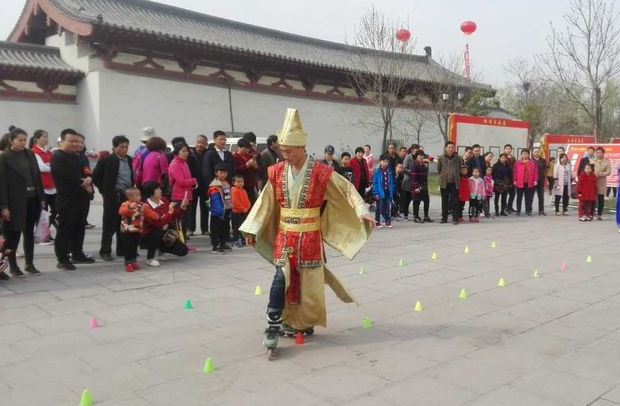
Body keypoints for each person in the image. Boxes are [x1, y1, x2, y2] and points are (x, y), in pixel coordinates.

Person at [239, 108, 374, 358]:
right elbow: (265, 201)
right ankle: (273, 324)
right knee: (281, 278)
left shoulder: (322, 173)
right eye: (282, 151)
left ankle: (300, 322)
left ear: (302, 147)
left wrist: (361, 209)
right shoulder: (276, 172)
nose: (285, 155)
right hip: (286, 236)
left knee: (308, 284)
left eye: (289, 151)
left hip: (310, 235)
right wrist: (252, 226)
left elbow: (345, 189)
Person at [0, 128, 45, 277]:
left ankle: (29, 264)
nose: (23, 143)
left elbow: (37, 177)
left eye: (25, 140)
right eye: (20, 140)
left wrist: (42, 198)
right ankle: (12, 266)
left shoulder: (29, 154)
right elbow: (2, 184)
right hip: (15, 201)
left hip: (32, 199)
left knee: (29, 233)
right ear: (11, 140)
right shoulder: (4, 157)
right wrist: (4, 206)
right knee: (13, 235)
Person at [51, 129, 94, 270]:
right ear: (62, 141)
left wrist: (87, 180)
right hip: (67, 199)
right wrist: (83, 182)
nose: (75, 144)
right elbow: (68, 177)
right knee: (65, 229)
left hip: (80, 198)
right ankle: (62, 259)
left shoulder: (76, 156)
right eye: (71, 141)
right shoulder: (58, 157)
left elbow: (84, 173)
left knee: (79, 227)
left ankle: (77, 253)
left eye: (77, 141)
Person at [92, 135, 133, 261]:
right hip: (113, 196)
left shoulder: (129, 160)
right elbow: (96, 177)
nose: (124, 149)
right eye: (121, 147)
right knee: (110, 224)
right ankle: (105, 250)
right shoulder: (107, 160)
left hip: (127, 196)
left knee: (125, 223)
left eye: (126, 147)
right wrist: (104, 190)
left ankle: (122, 249)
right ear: (114, 148)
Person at [141, 181, 189, 266]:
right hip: (149, 235)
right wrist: (170, 212)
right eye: (157, 189)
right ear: (151, 192)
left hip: (165, 233)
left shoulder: (163, 200)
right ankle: (150, 258)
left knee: (183, 251)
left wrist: (182, 207)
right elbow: (158, 224)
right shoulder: (146, 206)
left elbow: (174, 215)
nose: (160, 190)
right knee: (156, 231)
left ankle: (162, 248)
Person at [118, 187, 159, 272]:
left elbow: (149, 212)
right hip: (127, 230)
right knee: (128, 247)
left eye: (139, 195)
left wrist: (156, 216)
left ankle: (133, 261)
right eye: (137, 195)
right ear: (129, 197)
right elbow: (121, 212)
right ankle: (128, 263)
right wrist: (130, 208)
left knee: (134, 247)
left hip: (137, 230)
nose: (139, 197)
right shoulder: (125, 204)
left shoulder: (142, 205)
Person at [168, 142, 198, 239]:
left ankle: (183, 242)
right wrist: (194, 180)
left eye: (187, 151)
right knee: (179, 222)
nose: (186, 153)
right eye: (183, 151)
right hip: (178, 196)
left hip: (187, 195)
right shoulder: (175, 164)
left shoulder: (184, 162)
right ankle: (178, 243)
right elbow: (180, 182)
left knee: (185, 222)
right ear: (177, 152)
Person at [31, 129, 57, 232]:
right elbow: (42, 168)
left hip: (52, 186)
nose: (47, 139)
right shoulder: (34, 152)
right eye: (44, 137)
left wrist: (50, 165)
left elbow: (53, 164)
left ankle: (45, 231)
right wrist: (51, 166)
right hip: (42, 186)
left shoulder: (48, 152)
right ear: (37, 139)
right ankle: (42, 235)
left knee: (56, 210)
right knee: (43, 212)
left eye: (47, 137)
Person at [208, 163, 232, 253]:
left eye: (225, 173)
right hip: (218, 212)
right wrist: (219, 212)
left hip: (226, 209)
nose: (223, 175)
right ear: (216, 173)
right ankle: (215, 245)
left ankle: (223, 243)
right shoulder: (214, 186)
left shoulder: (226, 183)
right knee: (216, 229)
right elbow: (215, 201)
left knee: (225, 228)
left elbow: (229, 197)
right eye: (221, 172)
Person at [437, 141, 463, 224]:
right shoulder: (441, 158)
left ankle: (455, 218)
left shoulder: (458, 158)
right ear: (446, 148)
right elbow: (439, 169)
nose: (451, 149)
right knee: (444, 200)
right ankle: (444, 218)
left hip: (454, 182)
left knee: (455, 201)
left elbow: (459, 169)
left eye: (452, 147)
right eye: (449, 147)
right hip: (444, 182)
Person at [189, 134, 209, 236]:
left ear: (206, 144)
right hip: (193, 185)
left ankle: (205, 229)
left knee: (205, 206)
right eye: (198, 142)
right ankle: (190, 229)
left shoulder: (208, 154)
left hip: (205, 185)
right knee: (192, 207)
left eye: (202, 143)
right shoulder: (190, 153)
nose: (200, 145)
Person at [232, 138, 259, 204]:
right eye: (245, 148)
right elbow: (235, 169)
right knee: (242, 202)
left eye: (248, 148)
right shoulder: (234, 157)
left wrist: (255, 166)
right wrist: (246, 165)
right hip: (241, 184)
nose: (247, 150)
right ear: (239, 147)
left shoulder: (249, 156)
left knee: (252, 202)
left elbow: (256, 170)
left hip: (251, 183)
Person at [372, 154, 395, 228]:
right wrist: (375, 193)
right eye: (383, 161)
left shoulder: (389, 171)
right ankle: (377, 221)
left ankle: (388, 221)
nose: (385, 163)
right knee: (379, 208)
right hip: (379, 193)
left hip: (388, 192)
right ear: (380, 162)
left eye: (386, 161)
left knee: (388, 208)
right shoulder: (377, 171)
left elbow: (391, 182)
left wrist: (392, 191)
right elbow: (375, 183)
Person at [513, 149, 537, 216]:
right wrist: (514, 180)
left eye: (526, 153)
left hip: (529, 182)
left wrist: (535, 180)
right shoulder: (517, 163)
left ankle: (528, 211)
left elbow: (536, 172)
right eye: (523, 153)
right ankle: (518, 211)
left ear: (528, 155)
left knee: (528, 197)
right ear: (521, 154)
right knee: (519, 197)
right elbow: (515, 172)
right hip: (520, 182)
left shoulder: (532, 163)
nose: (525, 155)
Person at [411, 151, 431, 223]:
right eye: (419, 156)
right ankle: (416, 216)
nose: (421, 157)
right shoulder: (414, 165)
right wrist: (416, 187)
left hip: (424, 186)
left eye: (422, 156)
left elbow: (425, 176)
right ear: (416, 157)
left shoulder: (423, 164)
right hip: (417, 186)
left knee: (426, 200)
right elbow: (413, 177)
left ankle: (426, 216)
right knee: (416, 201)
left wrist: (425, 185)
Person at [231, 174, 251, 247]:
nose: (240, 183)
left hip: (244, 211)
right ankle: (236, 240)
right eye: (238, 182)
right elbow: (235, 203)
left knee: (243, 226)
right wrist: (243, 209)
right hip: (237, 212)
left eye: (242, 181)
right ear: (234, 183)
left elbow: (247, 200)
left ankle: (242, 239)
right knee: (236, 227)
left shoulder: (244, 190)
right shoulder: (234, 191)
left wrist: (248, 207)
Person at [593, 147, 611, 220]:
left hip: (602, 182)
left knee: (601, 199)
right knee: (593, 198)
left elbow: (608, 172)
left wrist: (599, 174)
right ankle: (592, 213)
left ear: (603, 153)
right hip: (593, 182)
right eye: (597, 153)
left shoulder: (607, 162)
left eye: (600, 152)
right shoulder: (593, 161)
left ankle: (600, 214)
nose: (598, 154)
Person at [532, 147, 548, 216]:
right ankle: (529, 210)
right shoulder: (530, 160)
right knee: (530, 196)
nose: (536, 153)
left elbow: (546, 169)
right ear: (532, 153)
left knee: (541, 196)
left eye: (537, 152)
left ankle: (541, 210)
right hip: (532, 181)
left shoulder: (543, 160)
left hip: (540, 181)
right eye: (535, 152)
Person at [400, 149, 415, 221]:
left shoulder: (419, 157)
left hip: (416, 181)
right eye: (414, 149)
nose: (416, 151)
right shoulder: (408, 157)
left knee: (416, 199)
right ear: (412, 150)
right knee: (407, 198)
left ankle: (416, 215)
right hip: (408, 180)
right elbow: (404, 168)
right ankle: (405, 215)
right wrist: (412, 172)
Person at [504, 144, 517, 213]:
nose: (508, 149)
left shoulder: (513, 158)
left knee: (512, 193)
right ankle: (505, 207)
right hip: (505, 178)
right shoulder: (503, 157)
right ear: (504, 149)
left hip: (512, 177)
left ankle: (510, 206)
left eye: (509, 148)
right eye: (507, 148)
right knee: (505, 194)